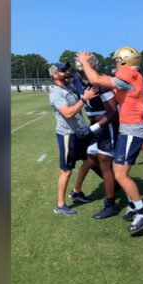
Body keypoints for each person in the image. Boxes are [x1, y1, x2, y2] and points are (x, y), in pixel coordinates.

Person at [76, 47, 143, 232]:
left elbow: (95, 79)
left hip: (132, 129)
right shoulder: (133, 75)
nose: (115, 63)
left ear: (124, 61)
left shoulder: (130, 75)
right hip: (128, 128)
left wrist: (85, 61)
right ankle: (134, 206)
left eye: (118, 60)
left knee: (120, 175)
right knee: (119, 171)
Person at [71, 53, 120, 219]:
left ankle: (111, 205)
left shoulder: (102, 82)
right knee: (90, 158)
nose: (83, 75)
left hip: (108, 125)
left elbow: (113, 112)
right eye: (81, 71)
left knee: (104, 161)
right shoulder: (76, 80)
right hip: (94, 125)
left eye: (86, 71)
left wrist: (94, 128)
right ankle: (114, 184)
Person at [48, 62, 98, 216]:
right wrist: (84, 99)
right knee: (66, 171)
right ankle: (60, 205)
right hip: (67, 135)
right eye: (63, 71)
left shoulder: (69, 87)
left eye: (66, 70)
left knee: (90, 160)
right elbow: (68, 113)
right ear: (55, 75)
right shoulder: (55, 93)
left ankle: (76, 192)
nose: (66, 72)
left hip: (80, 132)